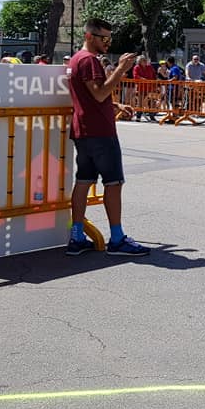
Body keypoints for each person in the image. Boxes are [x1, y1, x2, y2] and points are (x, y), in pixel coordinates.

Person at [65, 17, 149, 257]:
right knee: (113, 183)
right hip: (100, 132)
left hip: (83, 129)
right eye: (104, 38)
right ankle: (117, 238)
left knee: (83, 181)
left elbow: (92, 98)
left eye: (109, 39)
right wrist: (121, 69)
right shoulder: (89, 60)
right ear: (89, 36)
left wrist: (116, 104)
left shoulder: (75, 60)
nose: (108, 43)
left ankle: (77, 235)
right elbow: (100, 94)